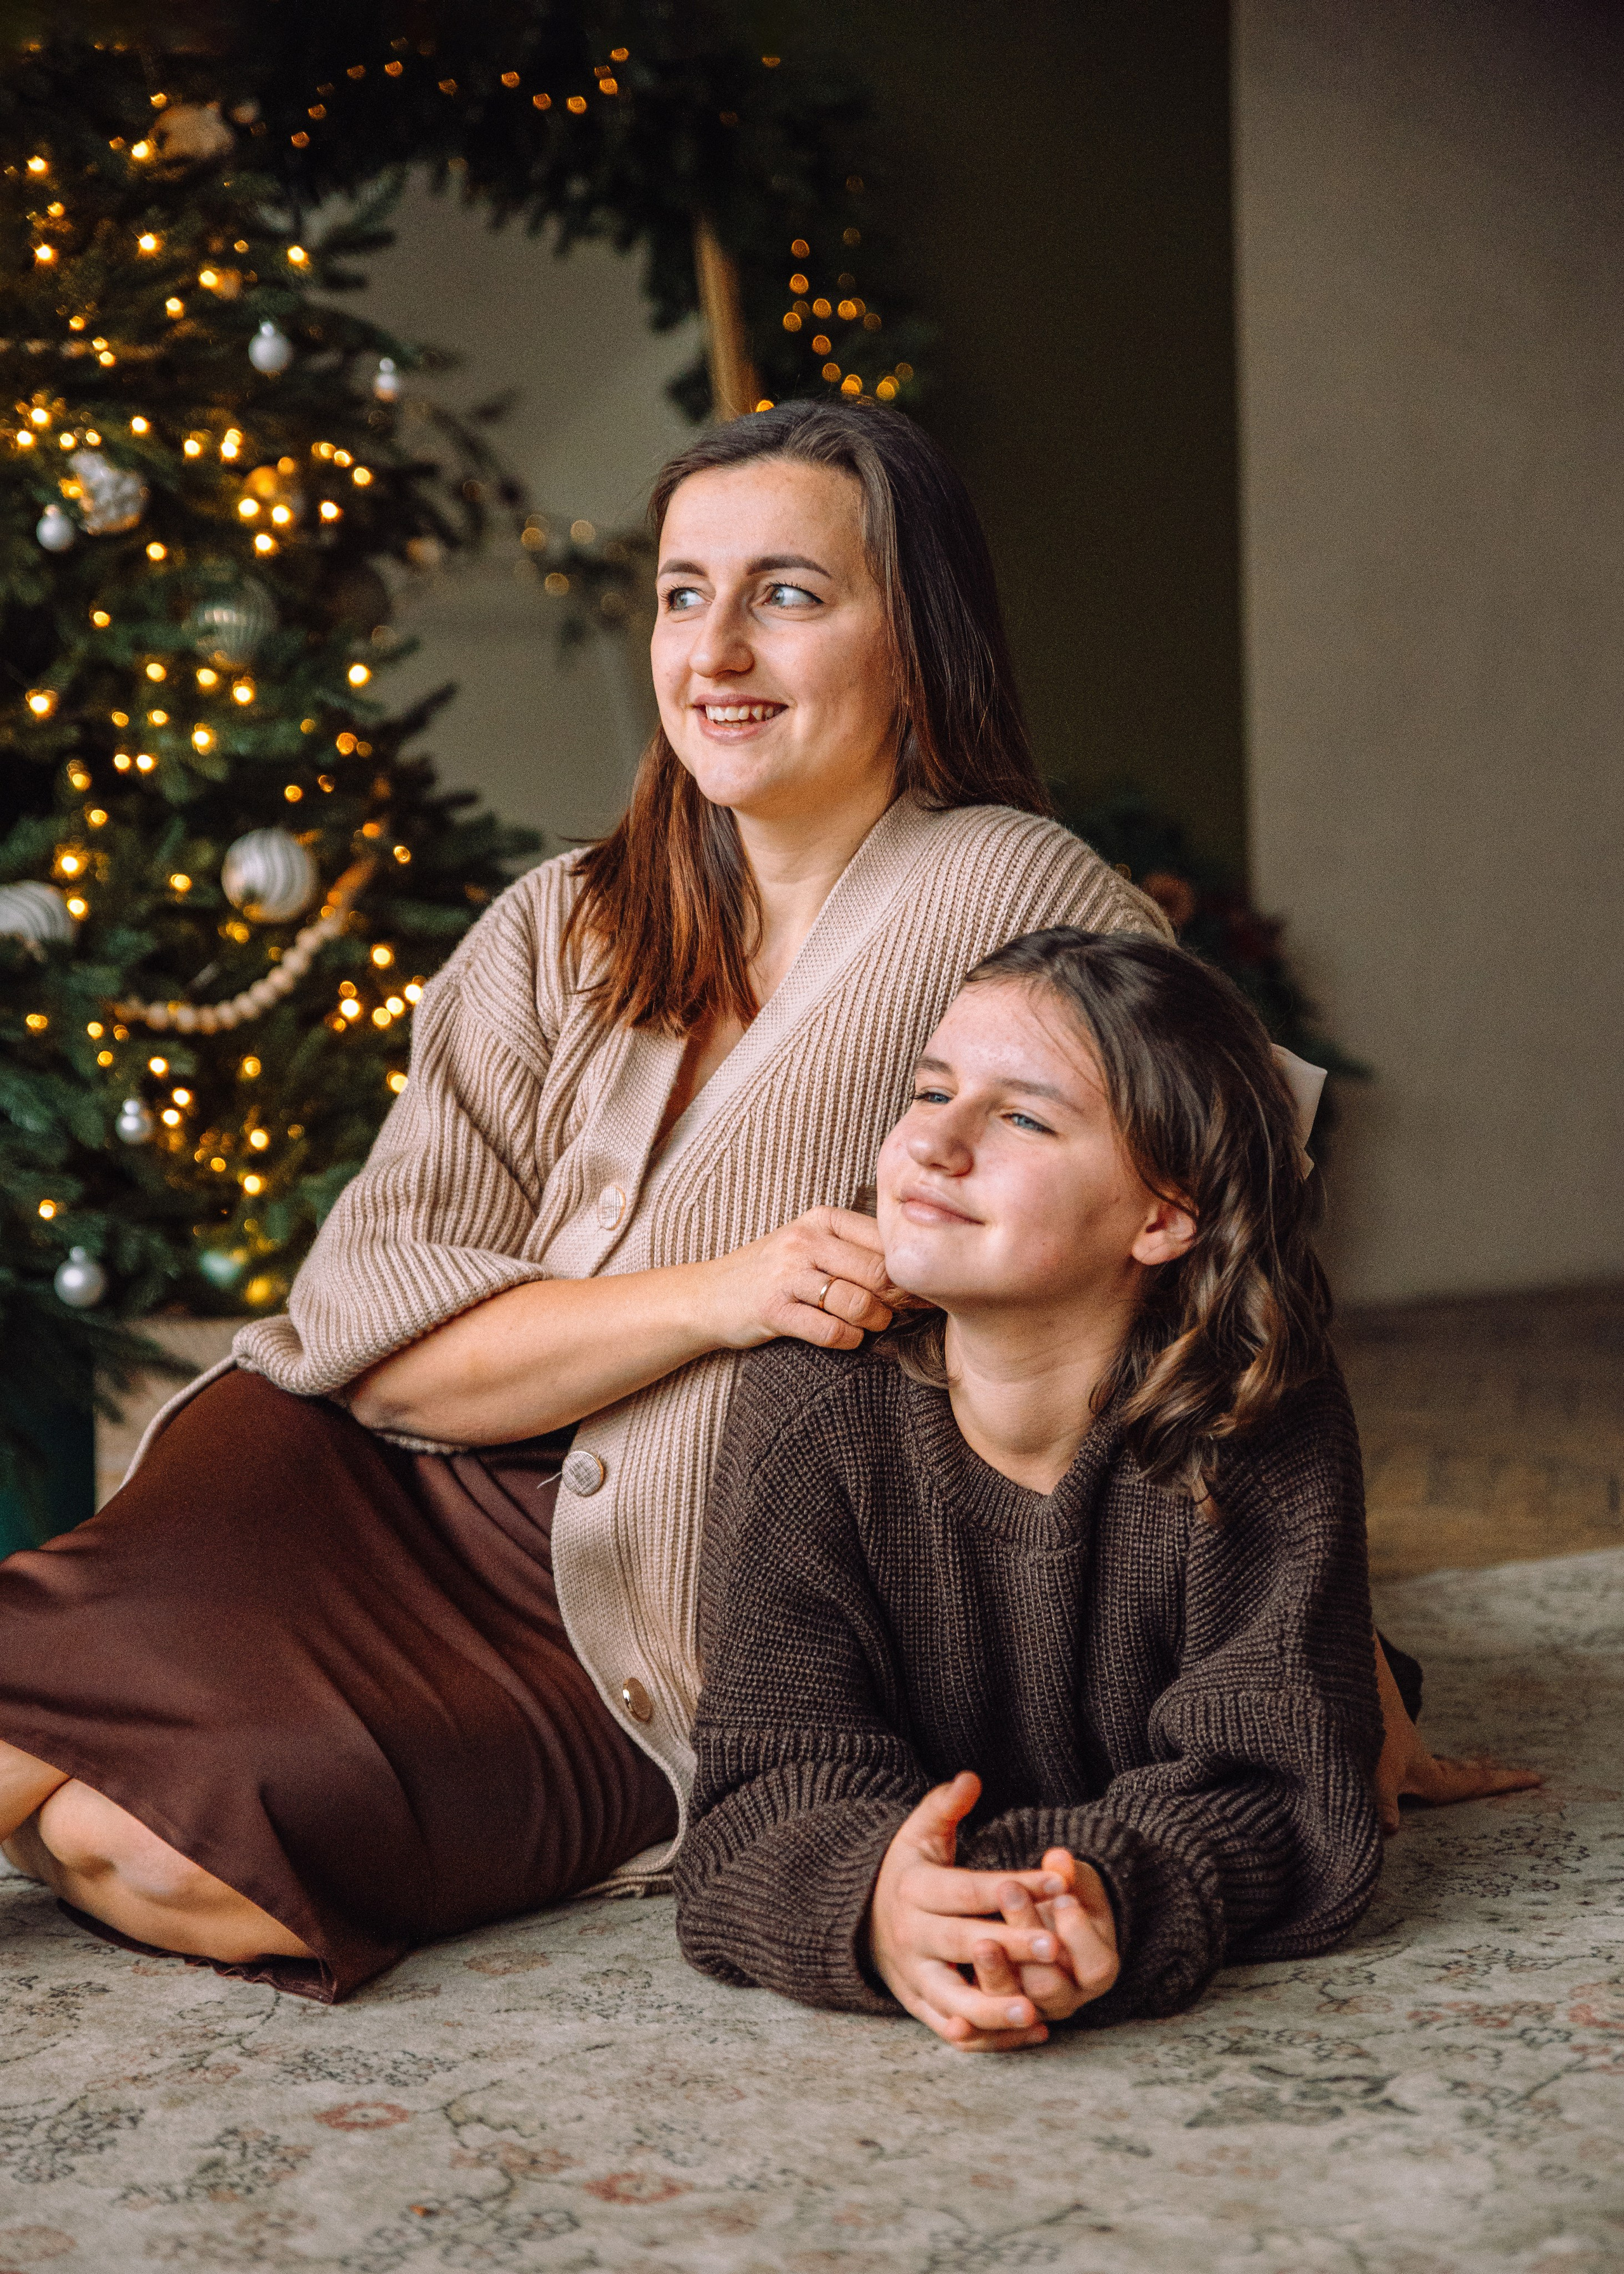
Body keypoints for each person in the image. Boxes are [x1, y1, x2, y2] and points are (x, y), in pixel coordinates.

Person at [0, 402, 1173, 1999]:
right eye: (684, 594)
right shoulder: (565, 918)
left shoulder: (1013, 894)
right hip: (360, 1482)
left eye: (786, 594)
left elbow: (1213, 1225)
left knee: (159, 1852)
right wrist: (731, 1289)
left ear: (917, 636)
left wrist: (1314, 1652)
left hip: (645, 1606)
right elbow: (370, 1338)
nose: (716, 651)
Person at [675, 929, 1538, 2051]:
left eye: (1022, 1117)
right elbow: (759, 1792)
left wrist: (1111, 1900)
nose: (932, 1142)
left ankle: (1366, 1678)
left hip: (1179, 1704)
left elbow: (1280, 1800)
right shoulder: (806, 1404)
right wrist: (880, 1909)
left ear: (1162, 1216)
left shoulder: (1257, 1407)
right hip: (940, 1789)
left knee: (1346, 1732)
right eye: (930, 1090)